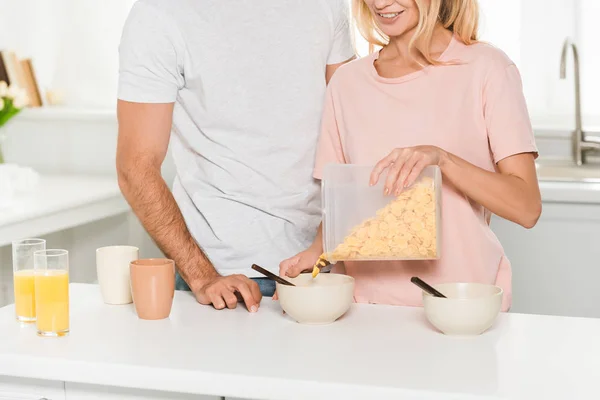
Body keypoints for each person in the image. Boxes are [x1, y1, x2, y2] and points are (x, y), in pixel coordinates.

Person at [280, 0, 542, 311]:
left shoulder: (488, 69)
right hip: (364, 309)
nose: (380, 3)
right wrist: (316, 252)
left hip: (459, 306)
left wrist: (442, 159)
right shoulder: (346, 83)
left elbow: (526, 208)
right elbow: (342, 203)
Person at [116, 0, 355, 312]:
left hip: (323, 271)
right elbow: (135, 166)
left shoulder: (327, 5)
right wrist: (202, 276)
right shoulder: (160, 14)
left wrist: (333, 248)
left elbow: (353, 130)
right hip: (225, 281)